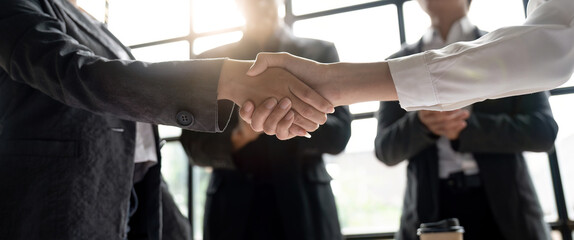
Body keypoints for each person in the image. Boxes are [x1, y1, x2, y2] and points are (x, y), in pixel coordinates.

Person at [0, 0, 334, 239]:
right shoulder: (18, 9)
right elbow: (78, 74)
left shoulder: (94, 25)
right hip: (65, 199)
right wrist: (228, 88)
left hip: (137, 194)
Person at [239, 0, 574, 133]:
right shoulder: (399, 56)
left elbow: (555, 43)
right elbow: (384, 146)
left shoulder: (510, 44)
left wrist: (465, 128)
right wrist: (335, 82)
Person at [374, 0, 556, 239]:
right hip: (429, 211)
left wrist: (466, 128)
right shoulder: (398, 62)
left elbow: (543, 131)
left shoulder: (510, 50)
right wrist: (421, 125)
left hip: (507, 211)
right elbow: (384, 149)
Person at [179, 0, 351, 239]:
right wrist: (241, 135)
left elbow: (339, 135)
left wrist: (288, 118)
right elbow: (194, 147)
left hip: (306, 211)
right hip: (232, 215)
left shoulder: (320, 53)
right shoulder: (209, 61)